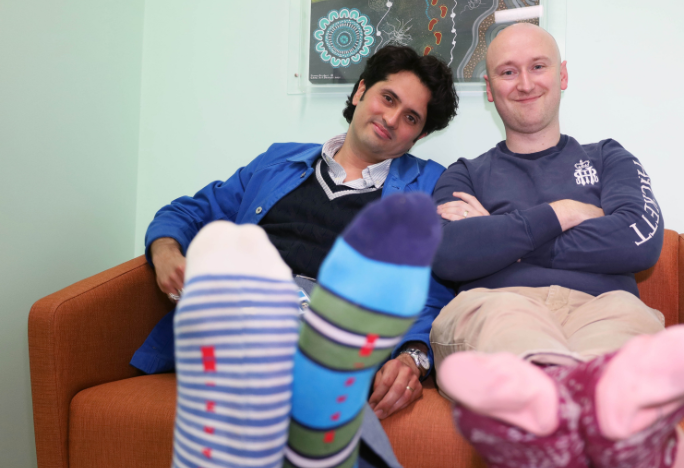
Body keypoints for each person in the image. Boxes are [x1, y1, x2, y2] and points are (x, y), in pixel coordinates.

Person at [133, 45, 458, 466]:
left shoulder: (429, 185)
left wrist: (414, 357)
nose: (392, 119)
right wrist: (165, 251)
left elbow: (436, 283)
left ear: (420, 134)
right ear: (361, 91)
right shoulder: (278, 161)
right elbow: (190, 210)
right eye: (388, 98)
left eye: (411, 117)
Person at [429, 23, 684, 468]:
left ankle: (576, 412)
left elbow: (639, 241)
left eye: (538, 66)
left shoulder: (608, 157)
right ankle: (574, 408)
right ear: (488, 89)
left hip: (608, 307)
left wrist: (502, 233)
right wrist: (563, 213)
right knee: (517, 343)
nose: (524, 83)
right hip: (498, 306)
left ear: (562, 75)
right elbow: (448, 253)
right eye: (507, 72)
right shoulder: (463, 174)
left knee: (616, 361)